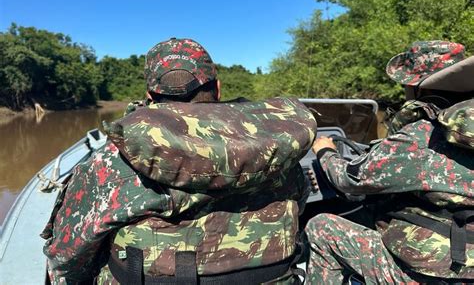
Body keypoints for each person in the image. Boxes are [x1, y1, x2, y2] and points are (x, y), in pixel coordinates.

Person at [42, 38, 317, 284]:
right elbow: (301, 202)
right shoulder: (278, 149)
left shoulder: (112, 162)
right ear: (218, 90)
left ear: (150, 98)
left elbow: (66, 258)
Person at [305, 41, 474, 284]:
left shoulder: (422, 136)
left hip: (436, 273)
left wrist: (325, 152)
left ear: (416, 89)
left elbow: (348, 179)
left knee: (321, 228)